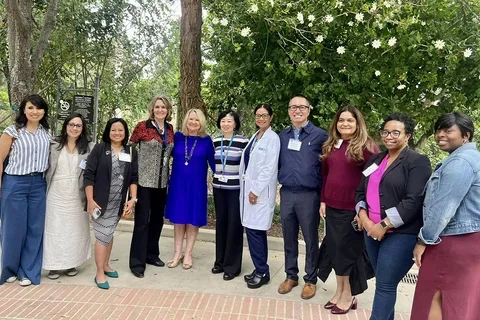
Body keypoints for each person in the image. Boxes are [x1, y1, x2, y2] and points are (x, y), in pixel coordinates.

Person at [355, 113, 431, 320]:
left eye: (396, 132)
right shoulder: (376, 159)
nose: (389, 136)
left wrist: (383, 224)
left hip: (400, 233)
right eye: (386, 132)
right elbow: (360, 192)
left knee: (385, 285)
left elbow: (413, 200)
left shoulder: (417, 162)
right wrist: (363, 217)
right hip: (371, 230)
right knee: (383, 282)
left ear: (408, 136)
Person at [411, 113, 480, 320]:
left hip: (451, 242)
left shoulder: (461, 162)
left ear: (466, 135)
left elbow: (443, 208)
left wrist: (424, 239)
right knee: (460, 301)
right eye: (438, 130)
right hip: (468, 241)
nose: (440, 135)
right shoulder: (474, 158)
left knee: (435, 297)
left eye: (448, 130)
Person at [319, 106, 379, 314]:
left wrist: (363, 210)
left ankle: (349, 295)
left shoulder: (367, 147)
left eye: (349, 120)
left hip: (353, 210)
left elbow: (374, 182)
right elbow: (326, 175)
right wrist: (323, 200)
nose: (345, 124)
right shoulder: (331, 145)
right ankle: (339, 291)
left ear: (357, 123)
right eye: (341, 120)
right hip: (333, 208)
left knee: (349, 254)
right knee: (335, 251)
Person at [277, 95, 328, 299]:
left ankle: (310, 279)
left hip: (309, 195)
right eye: (293, 107)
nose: (297, 110)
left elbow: (326, 168)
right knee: (288, 237)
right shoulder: (282, 136)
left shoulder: (320, 136)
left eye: (301, 107)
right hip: (287, 192)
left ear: (308, 110)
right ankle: (291, 275)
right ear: (289, 111)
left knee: (310, 239)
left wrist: (324, 198)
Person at [0, 94, 51, 286]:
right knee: (12, 229)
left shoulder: (46, 132)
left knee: (35, 229)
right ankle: (9, 270)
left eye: (38, 108)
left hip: (38, 183)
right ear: (24, 110)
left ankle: (28, 271)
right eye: (30, 108)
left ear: (44, 111)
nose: (35, 111)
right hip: (15, 183)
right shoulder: (12, 131)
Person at [84, 118, 138, 290]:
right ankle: (99, 272)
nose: (117, 133)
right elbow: (89, 175)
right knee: (102, 235)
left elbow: (133, 178)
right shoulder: (100, 149)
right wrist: (90, 200)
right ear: (108, 131)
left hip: (118, 200)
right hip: (100, 201)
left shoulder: (130, 150)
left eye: (120, 130)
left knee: (109, 232)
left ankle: (106, 265)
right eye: (113, 130)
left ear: (125, 132)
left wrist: (132, 199)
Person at [43, 113, 95, 280]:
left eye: (78, 125)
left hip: (77, 193)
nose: (74, 128)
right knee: (54, 229)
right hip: (55, 193)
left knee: (75, 230)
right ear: (65, 126)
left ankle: (72, 262)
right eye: (71, 124)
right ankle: (53, 265)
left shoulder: (89, 147)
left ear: (83, 129)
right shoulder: (53, 144)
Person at [128, 96, 175, 278]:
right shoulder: (142, 126)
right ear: (152, 109)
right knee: (142, 222)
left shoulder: (170, 129)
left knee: (157, 220)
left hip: (162, 183)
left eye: (163, 107)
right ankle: (137, 263)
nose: (160, 110)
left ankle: (151, 254)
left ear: (168, 110)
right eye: (157, 107)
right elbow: (130, 149)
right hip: (144, 181)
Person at [165, 108, 215, 270]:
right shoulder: (178, 137)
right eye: (191, 119)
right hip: (178, 185)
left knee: (193, 221)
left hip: (196, 186)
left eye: (197, 120)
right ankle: (177, 252)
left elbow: (214, 164)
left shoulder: (206, 141)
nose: (193, 122)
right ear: (186, 120)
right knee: (179, 220)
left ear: (201, 123)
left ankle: (188, 254)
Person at [239, 104, 280, 289]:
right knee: (254, 231)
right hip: (252, 192)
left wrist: (255, 190)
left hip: (260, 194)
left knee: (255, 232)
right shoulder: (256, 136)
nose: (261, 118)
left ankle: (263, 272)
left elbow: (269, 168)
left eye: (264, 115)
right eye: (258, 115)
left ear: (271, 117)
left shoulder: (273, 138)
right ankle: (259, 269)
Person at [211, 110, 249, 281]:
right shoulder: (215, 141)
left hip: (235, 190)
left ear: (235, 124)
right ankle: (219, 262)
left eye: (229, 121)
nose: (226, 124)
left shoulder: (243, 142)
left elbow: (247, 165)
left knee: (234, 226)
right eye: (223, 121)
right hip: (219, 188)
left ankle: (232, 267)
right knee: (221, 225)